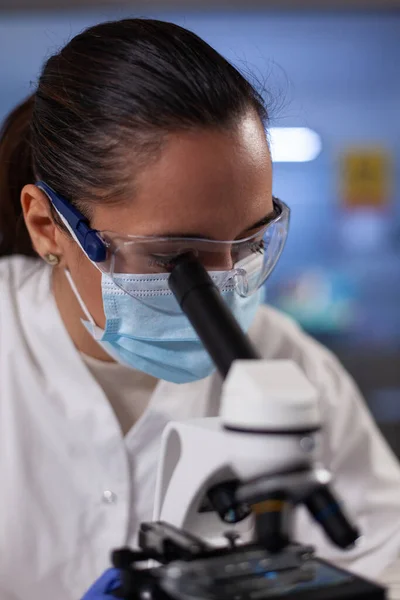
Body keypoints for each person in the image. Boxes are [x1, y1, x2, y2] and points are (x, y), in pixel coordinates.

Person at [0, 18, 399, 600]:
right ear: (47, 226)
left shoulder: (287, 362)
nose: (226, 285)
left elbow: (385, 555)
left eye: (252, 242)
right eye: (175, 256)